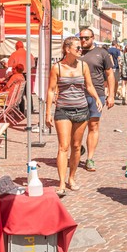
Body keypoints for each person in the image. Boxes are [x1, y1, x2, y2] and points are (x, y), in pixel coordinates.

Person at [46, 37, 102, 197]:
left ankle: (72, 178)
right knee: (63, 146)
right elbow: (51, 90)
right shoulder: (57, 68)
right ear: (67, 49)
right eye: (77, 47)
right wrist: (47, 112)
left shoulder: (83, 66)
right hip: (63, 110)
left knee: (76, 146)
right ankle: (62, 183)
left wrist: (97, 99)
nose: (80, 50)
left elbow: (89, 86)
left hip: (82, 109)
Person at [78, 28, 116, 172]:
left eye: (86, 38)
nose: (83, 41)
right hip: (77, 94)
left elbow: (110, 75)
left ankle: (90, 158)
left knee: (93, 126)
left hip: (97, 94)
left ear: (92, 38)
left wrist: (111, 95)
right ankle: (78, 147)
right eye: (81, 38)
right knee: (75, 127)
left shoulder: (102, 53)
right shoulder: (76, 51)